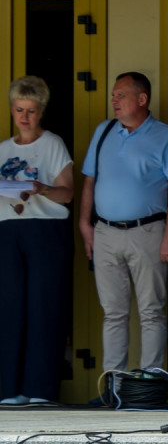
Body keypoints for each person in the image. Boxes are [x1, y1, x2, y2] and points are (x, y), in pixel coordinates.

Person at [79, 72, 168, 376]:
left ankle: (149, 385)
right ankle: (114, 385)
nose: (113, 100)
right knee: (113, 313)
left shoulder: (166, 136)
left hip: (148, 231)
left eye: (121, 95)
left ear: (142, 99)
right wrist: (85, 225)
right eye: (113, 95)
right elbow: (89, 182)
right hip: (105, 232)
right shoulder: (104, 131)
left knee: (151, 312)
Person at [0, 76, 74, 405]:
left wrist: (41, 188)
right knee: (9, 306)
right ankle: (9, 389)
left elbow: (68, 193)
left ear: (41, 111)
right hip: (7, 228)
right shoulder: (3, 149)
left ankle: (40, 388)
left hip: (45, 228)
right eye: (19, 110)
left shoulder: (53, 144)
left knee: (44, 306)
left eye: (31, 110)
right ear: (12, 110)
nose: (25, 117)